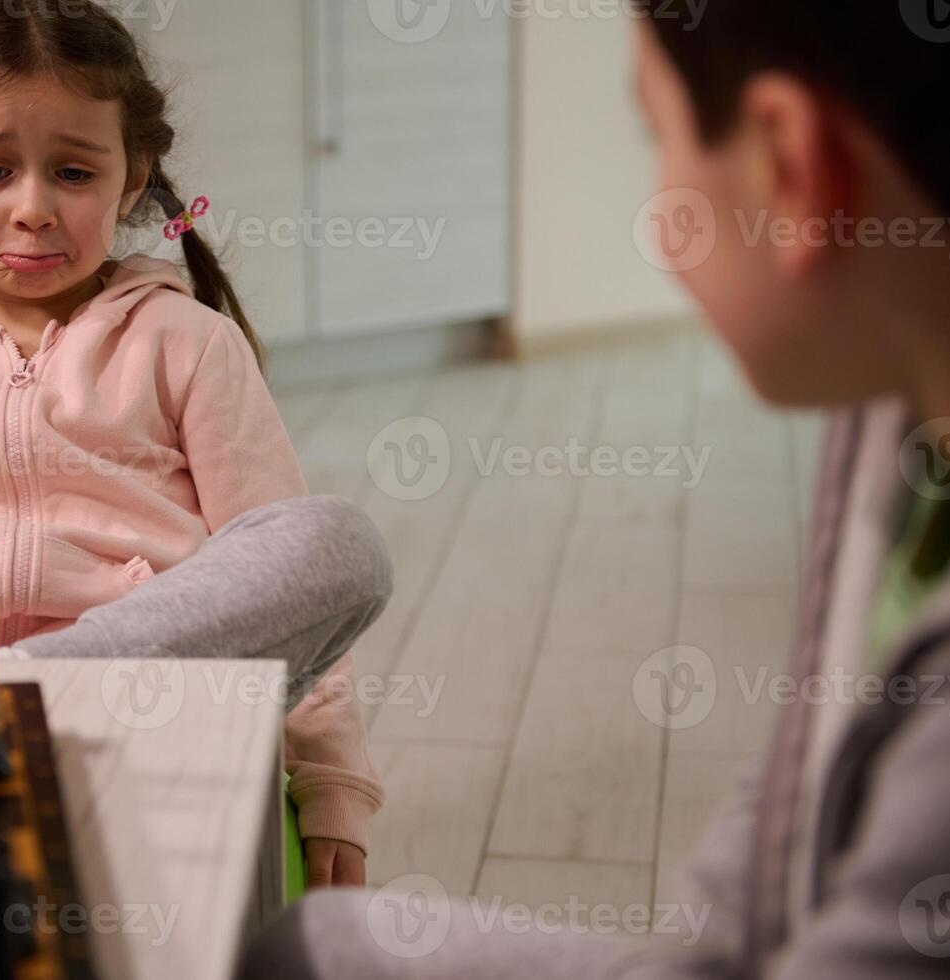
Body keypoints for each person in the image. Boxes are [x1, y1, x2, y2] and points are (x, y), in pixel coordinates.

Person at [237, 2, 950, 976]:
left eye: (653, 138)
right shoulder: (889, 409)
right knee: (316, 943)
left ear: (792, 168)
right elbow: (806, 759)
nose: (658, 215)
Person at [0, 1, 392, 887]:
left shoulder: (186, 343)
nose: (33, 209)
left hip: (149, 704)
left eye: (72, 172)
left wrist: (332, 779)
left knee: (335, 542)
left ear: (132, 176)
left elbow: (275, 569)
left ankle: (14, 694)